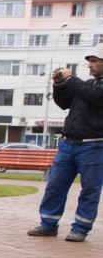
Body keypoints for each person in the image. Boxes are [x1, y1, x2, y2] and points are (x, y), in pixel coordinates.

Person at [28, 43, 103, 243]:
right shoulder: (88, 84)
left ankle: (80, 229)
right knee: (55, 186)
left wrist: (70, 78)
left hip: (94, 146)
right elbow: (64, 103)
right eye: (89, 61)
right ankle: (48, 225)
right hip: (68, 145)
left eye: (94, 61)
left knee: (89, 190)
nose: (90, 65)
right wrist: (59, 84)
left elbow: (93, 97)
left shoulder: (91, 88)